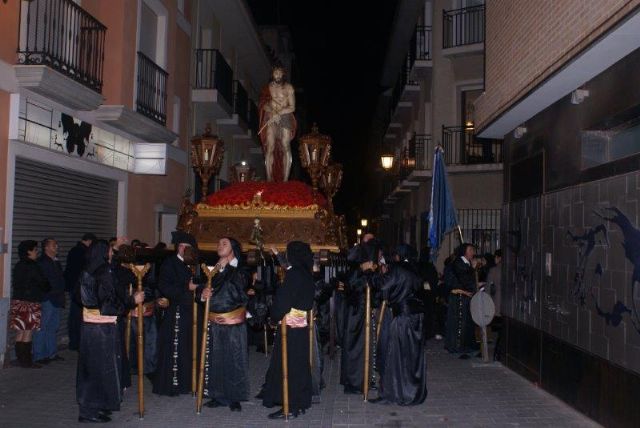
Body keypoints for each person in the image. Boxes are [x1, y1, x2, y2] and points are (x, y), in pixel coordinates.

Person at [76, 240, 144, 423]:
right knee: (99, 368)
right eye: (109, 250)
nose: (112, 253)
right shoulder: (103, 272)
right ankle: (89, 410)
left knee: (93, 368)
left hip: (91, 326)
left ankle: (95, 406)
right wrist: (132, 300)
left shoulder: (89, 269)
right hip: (101, 327)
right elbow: (108, 304)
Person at [263, 241, 315, 419]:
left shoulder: (294, 275)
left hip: (290, 326)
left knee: (289, 365)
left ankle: (290, 405)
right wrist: (277, 254)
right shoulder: (306, 274)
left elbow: (283, 301)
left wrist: (273, 317)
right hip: (301, 325)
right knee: (299, 364)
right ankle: (298, 403)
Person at [371, 243, 427, 405]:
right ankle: (413, 391)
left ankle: (396, 393)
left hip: (404, 317)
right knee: (412, 355)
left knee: (396, 355)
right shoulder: (415, 269)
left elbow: (383, 286)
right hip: (417, 317)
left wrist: (371, 273)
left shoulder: (399, 269)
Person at [198, 237, 249, 411]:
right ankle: (217, 395)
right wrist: (203, 293)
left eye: (224, 244)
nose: (219, 246)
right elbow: (202, 286)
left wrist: (225, 268)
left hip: (232, 322)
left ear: (233, 249)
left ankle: (234, 397)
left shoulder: (241, 269)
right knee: (215, 359)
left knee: (234, 360)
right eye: (218, 243)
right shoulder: (213, 269)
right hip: (214, 321)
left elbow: (239, 289)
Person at [153, 231, 199, 396]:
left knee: (189, 347)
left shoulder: (194, 264)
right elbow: (165, 287)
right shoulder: (170, 263)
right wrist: (187, 288)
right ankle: (173, 384)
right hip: (177, 311)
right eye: (181, 246)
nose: (184, 249)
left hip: (191, 312)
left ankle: (188, 382)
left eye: (187, 247)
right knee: (176, 347)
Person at [340, 239, 383, 394]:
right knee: (356, 349)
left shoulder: (367, 273)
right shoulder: (356, 274)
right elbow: (355, 288)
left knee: (368, 347)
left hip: (364, 314)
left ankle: (366, 378)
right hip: (356, 316)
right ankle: (355, 382)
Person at [10, 240, 50, 368]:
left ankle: (20, 359)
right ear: (29, 251)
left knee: (20, 332)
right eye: (35, 250)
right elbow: (42, 282)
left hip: (18, 301)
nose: (36, 252)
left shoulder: (18, 265)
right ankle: (27, 361)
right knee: (28, 331)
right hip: (30, 302)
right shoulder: (33, 266)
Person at [258, 64, 297, 182]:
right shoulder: (267, 88)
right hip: (271, 117)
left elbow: (292, 107)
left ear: (283, 74)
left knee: (285, 145)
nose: (278, 75)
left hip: (284, 116)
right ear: (272, 74)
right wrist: (272, 112)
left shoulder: (289, 88)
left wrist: (279, 113)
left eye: (280, 73)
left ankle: (285, 179)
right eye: (276, 73)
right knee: (270, 146)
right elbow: (263, 104)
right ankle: (269, 178)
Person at [33, 238, 66, 364]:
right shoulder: (42, 262)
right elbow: (41, 281)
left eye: (56, 245)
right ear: (46, 247)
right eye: (53, 245)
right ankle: (39, 355)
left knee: (53, 327)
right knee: (42, 327)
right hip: (47, 299)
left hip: (57, 298)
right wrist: (47, 293)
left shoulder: (55, 261)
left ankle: (51, 353)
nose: (56, 247)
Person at [444, 243, 479, 359]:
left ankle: (466, 346)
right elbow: (464, 279)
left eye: (473, 250)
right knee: (459, 323)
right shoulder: (459, 263)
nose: (472, 252)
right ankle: (457, 347)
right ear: (464, 251)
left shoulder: (466, 263)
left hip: (466, 297)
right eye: (470, 250)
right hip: (459, 297)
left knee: (467, 322)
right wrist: (472, 269)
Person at [65, 233, 96, 351]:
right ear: (89, 241)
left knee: (75, 315)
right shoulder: (82, 252)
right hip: (78, 288)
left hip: (75, 287)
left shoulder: (75, 251)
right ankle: (76, 342)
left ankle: (75, 341)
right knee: (77, 315)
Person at [486, 249, 503, 361]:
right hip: (507, 305)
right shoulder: (511, 269)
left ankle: (497, 353)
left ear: (498, 258)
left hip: (497, 304)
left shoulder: (494, 270)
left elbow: (489, 288)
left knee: (498, 330)